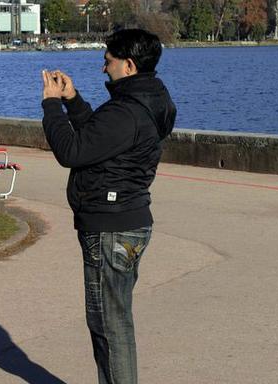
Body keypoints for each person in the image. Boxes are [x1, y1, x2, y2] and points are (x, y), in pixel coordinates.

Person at [40, 29, 176, 384]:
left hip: (110, 228)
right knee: (116, 322)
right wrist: (73, 101)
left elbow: (71, 151)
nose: (104, 69)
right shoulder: (148, 101)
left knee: (109, 328)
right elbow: (99, 140)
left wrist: (51, 104)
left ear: (128, 65)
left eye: (108, 61)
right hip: (128, 221)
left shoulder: (126, 111)